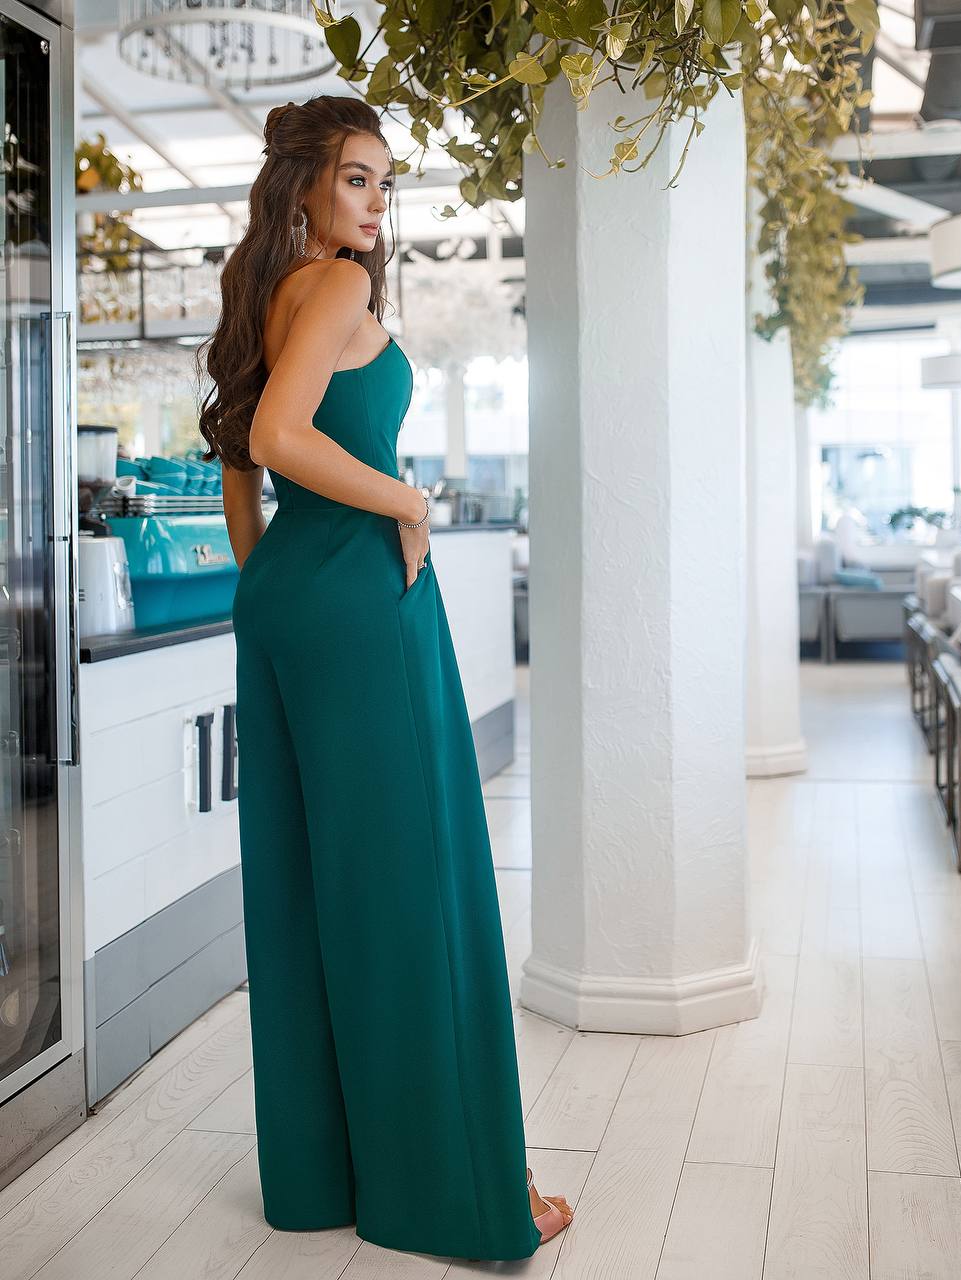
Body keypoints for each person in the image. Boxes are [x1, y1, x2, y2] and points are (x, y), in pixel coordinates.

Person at [195, 93, 573, 1262]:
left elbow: (240, 467)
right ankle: (457, 1193)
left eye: (382, 181)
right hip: (362, 596)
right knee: (417, 881)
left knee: (319, 882)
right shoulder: (342, 288)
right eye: (356, 177)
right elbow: (277, 440)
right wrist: (408, 499)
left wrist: (276, 590)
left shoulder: (268, 294)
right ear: (304, 185)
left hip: (294, 600)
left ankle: (328, 1176)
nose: (373, 201)